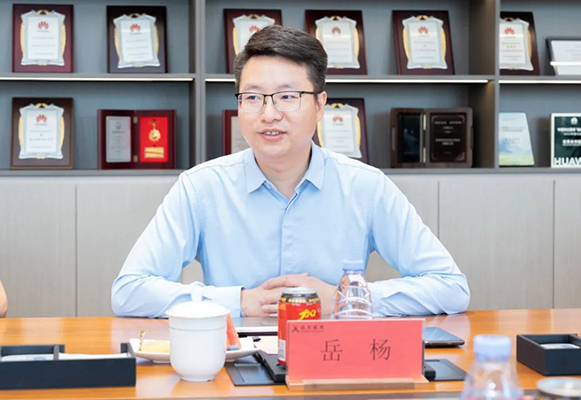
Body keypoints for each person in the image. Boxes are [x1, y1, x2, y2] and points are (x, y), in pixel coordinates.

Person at [112, 25, 470, 318]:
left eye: (287, 96)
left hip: (333, 360)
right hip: (233, 359)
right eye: (253, 97)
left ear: (320, 105)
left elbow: (450, 287)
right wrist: (238, 301)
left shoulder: (365, 186)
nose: (269, 114)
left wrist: (347, 298)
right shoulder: (202, 187)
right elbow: (129, 291)